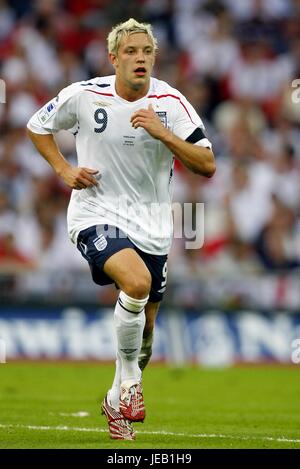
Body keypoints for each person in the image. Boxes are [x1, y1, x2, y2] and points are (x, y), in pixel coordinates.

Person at [27, 18, 215, 441]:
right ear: (113, 58)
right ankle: (130, 386)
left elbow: (207, 165)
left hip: (152, 227)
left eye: (146, 51)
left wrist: (163, 133)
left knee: (146, 334)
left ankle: (117, 395)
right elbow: (37, 126)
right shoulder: (84, 95)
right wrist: (63, 169)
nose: (140, 58)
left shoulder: (171, 102)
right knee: (136, 281)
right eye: (130, 52)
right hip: (95, 211)